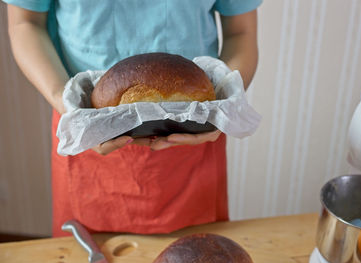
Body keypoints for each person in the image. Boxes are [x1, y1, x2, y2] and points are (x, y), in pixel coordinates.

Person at [5, 0, 261, 237]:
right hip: (86, 135)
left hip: (196, 141)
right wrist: (67, 104)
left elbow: (241, 32)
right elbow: (25, 22)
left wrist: (224, 108)